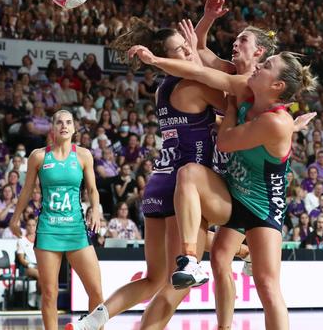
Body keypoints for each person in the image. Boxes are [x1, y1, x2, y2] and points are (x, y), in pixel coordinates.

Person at [68, 18, 252, 330]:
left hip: (157, 183)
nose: (186, 52)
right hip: (184, 185)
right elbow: (237, 100)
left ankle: (94, 319)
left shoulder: (161, 89)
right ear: (166, 58)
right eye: (179, 50)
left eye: (185, 46)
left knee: (153, 278)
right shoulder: (195, 85)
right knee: (177, 283)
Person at [131, 39, 316, 328]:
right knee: (189, 175)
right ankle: (190, 261)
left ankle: (247, 257)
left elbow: (227, 142)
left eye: (266, 66)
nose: (259, 66)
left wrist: (230, 104)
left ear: (277, 86)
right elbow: (201, 72)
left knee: (268, 287)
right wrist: (155, 60)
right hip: (232, 195)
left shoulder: (276, 121)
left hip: (263, 206)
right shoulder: (246, 89)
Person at [9, 110, 104, 330]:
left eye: (68, 122)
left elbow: (92, 189)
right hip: (48, 229)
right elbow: (26, 191)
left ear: (73, 128)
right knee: (49, 293)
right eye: (59, 122)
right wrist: (15, 218)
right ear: (52, 127)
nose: (64, 126)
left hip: (76, 230)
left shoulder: (83, 155)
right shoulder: (39, 156)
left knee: (96, 292)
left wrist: (96, 210)